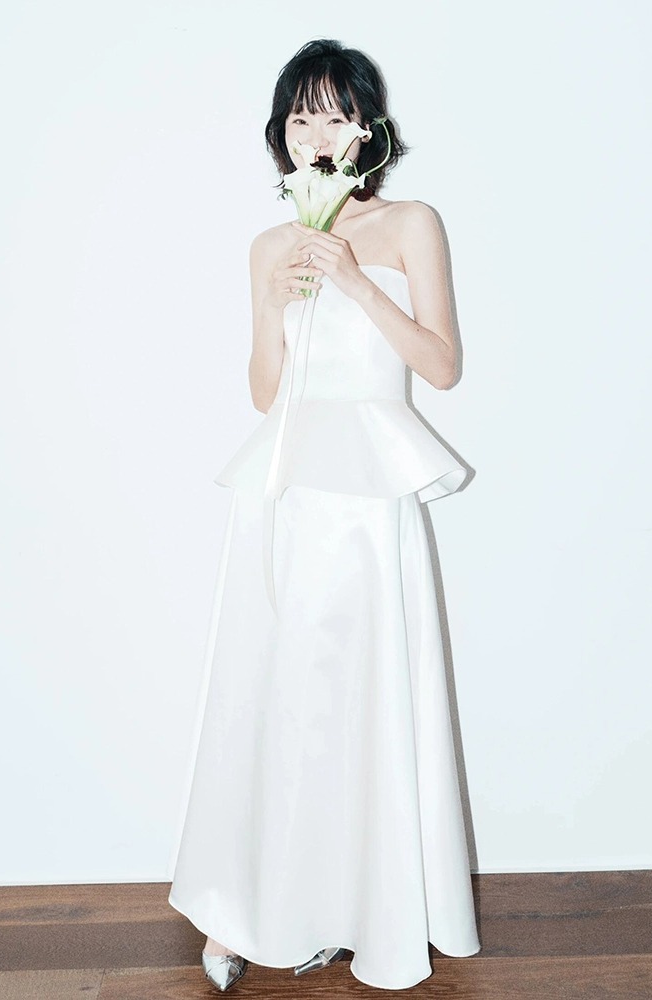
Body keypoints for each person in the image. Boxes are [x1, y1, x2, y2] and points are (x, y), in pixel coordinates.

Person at [167, 37, 481, 992]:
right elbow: (267, 394)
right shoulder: (270, 245)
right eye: (301, 116)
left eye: (336, 114)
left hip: (369, 500)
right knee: (279, 695)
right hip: (291, 491)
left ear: (368, 130)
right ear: (282, 134)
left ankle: (365, 907)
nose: (316, 133)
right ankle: (261, 905)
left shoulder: (411, 224)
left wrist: (352, 280)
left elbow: (441, 366)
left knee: (366, 695)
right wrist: (276, 303)